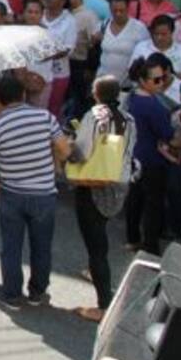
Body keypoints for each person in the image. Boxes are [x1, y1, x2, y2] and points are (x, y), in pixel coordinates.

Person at [0, 75, 71, 308]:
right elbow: (64, 149)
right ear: (24, 94)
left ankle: (11, 294)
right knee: (42, 246)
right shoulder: (45, 117)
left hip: (11, 194)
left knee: (11, 247)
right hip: (44, 194)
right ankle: (38, 292)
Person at [69, 76, 136, 323]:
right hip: (119, 183)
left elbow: (81, 151)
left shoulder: (94, 116)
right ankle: (98, 276)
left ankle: (104, 305)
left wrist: (69, 146)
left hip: (93, 183)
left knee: (96, 246)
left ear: (95, 93)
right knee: (100, 235)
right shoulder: (129, 119)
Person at [123, 56, 181, 255]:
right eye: (156, 80)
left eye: (163, 78)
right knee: (153, 204)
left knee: (134, 198)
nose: (161, 83)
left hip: (134, 156)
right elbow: (167, 135)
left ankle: (132, 238)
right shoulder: (153, 106)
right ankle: (150, 245)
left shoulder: (132, 98)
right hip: (153, 161)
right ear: (142, 80)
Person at [95, 0, 150, 84]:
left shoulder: (139, 28)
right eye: (114, 11)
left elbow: (146, 51)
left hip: (127, 82)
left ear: (128, 9)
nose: (118, 14)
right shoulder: (103, 25)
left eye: (121, 10)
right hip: (103, 80)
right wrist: (95, 39)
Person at [41, 0, 78, 119]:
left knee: (53, 108)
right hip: (37, 71)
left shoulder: (69, 21)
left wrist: (46, 56)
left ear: (63, 1)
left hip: (58, 72)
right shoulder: (39, 15)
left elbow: (68, 48)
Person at [130, 14, 181, 82]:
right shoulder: (141, 47)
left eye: (163, 34)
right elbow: (133, 72)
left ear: (172, 32)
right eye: (156, 34)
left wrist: (161, 76)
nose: (159, 38)